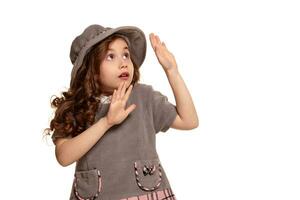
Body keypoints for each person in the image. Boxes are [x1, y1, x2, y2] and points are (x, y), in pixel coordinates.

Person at [44, 24, 198, 200]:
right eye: (111, 56)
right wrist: (106, 122)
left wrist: (172, 72)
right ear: (92, 70)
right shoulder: (76, 106)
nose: (123, 62)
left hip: (146, 193)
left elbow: (189, 121)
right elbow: (63, 157)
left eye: (126, 54)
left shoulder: (144, 96)